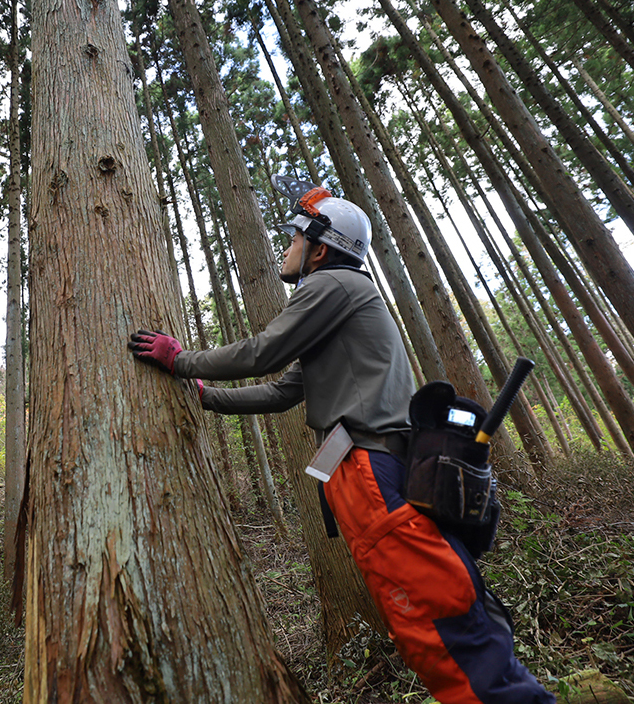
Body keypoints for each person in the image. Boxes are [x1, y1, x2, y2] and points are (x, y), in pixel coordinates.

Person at [129, 177, 555, 704]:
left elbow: (264, 351)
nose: (286, 249)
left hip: (372, 470)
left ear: (320, 246)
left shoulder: (336, 285)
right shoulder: (340, 303)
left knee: (438, 617)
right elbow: (285, 391)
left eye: (292, 239)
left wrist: (180, 359)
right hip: (367, 472)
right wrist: (205, 396)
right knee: (429, 617)